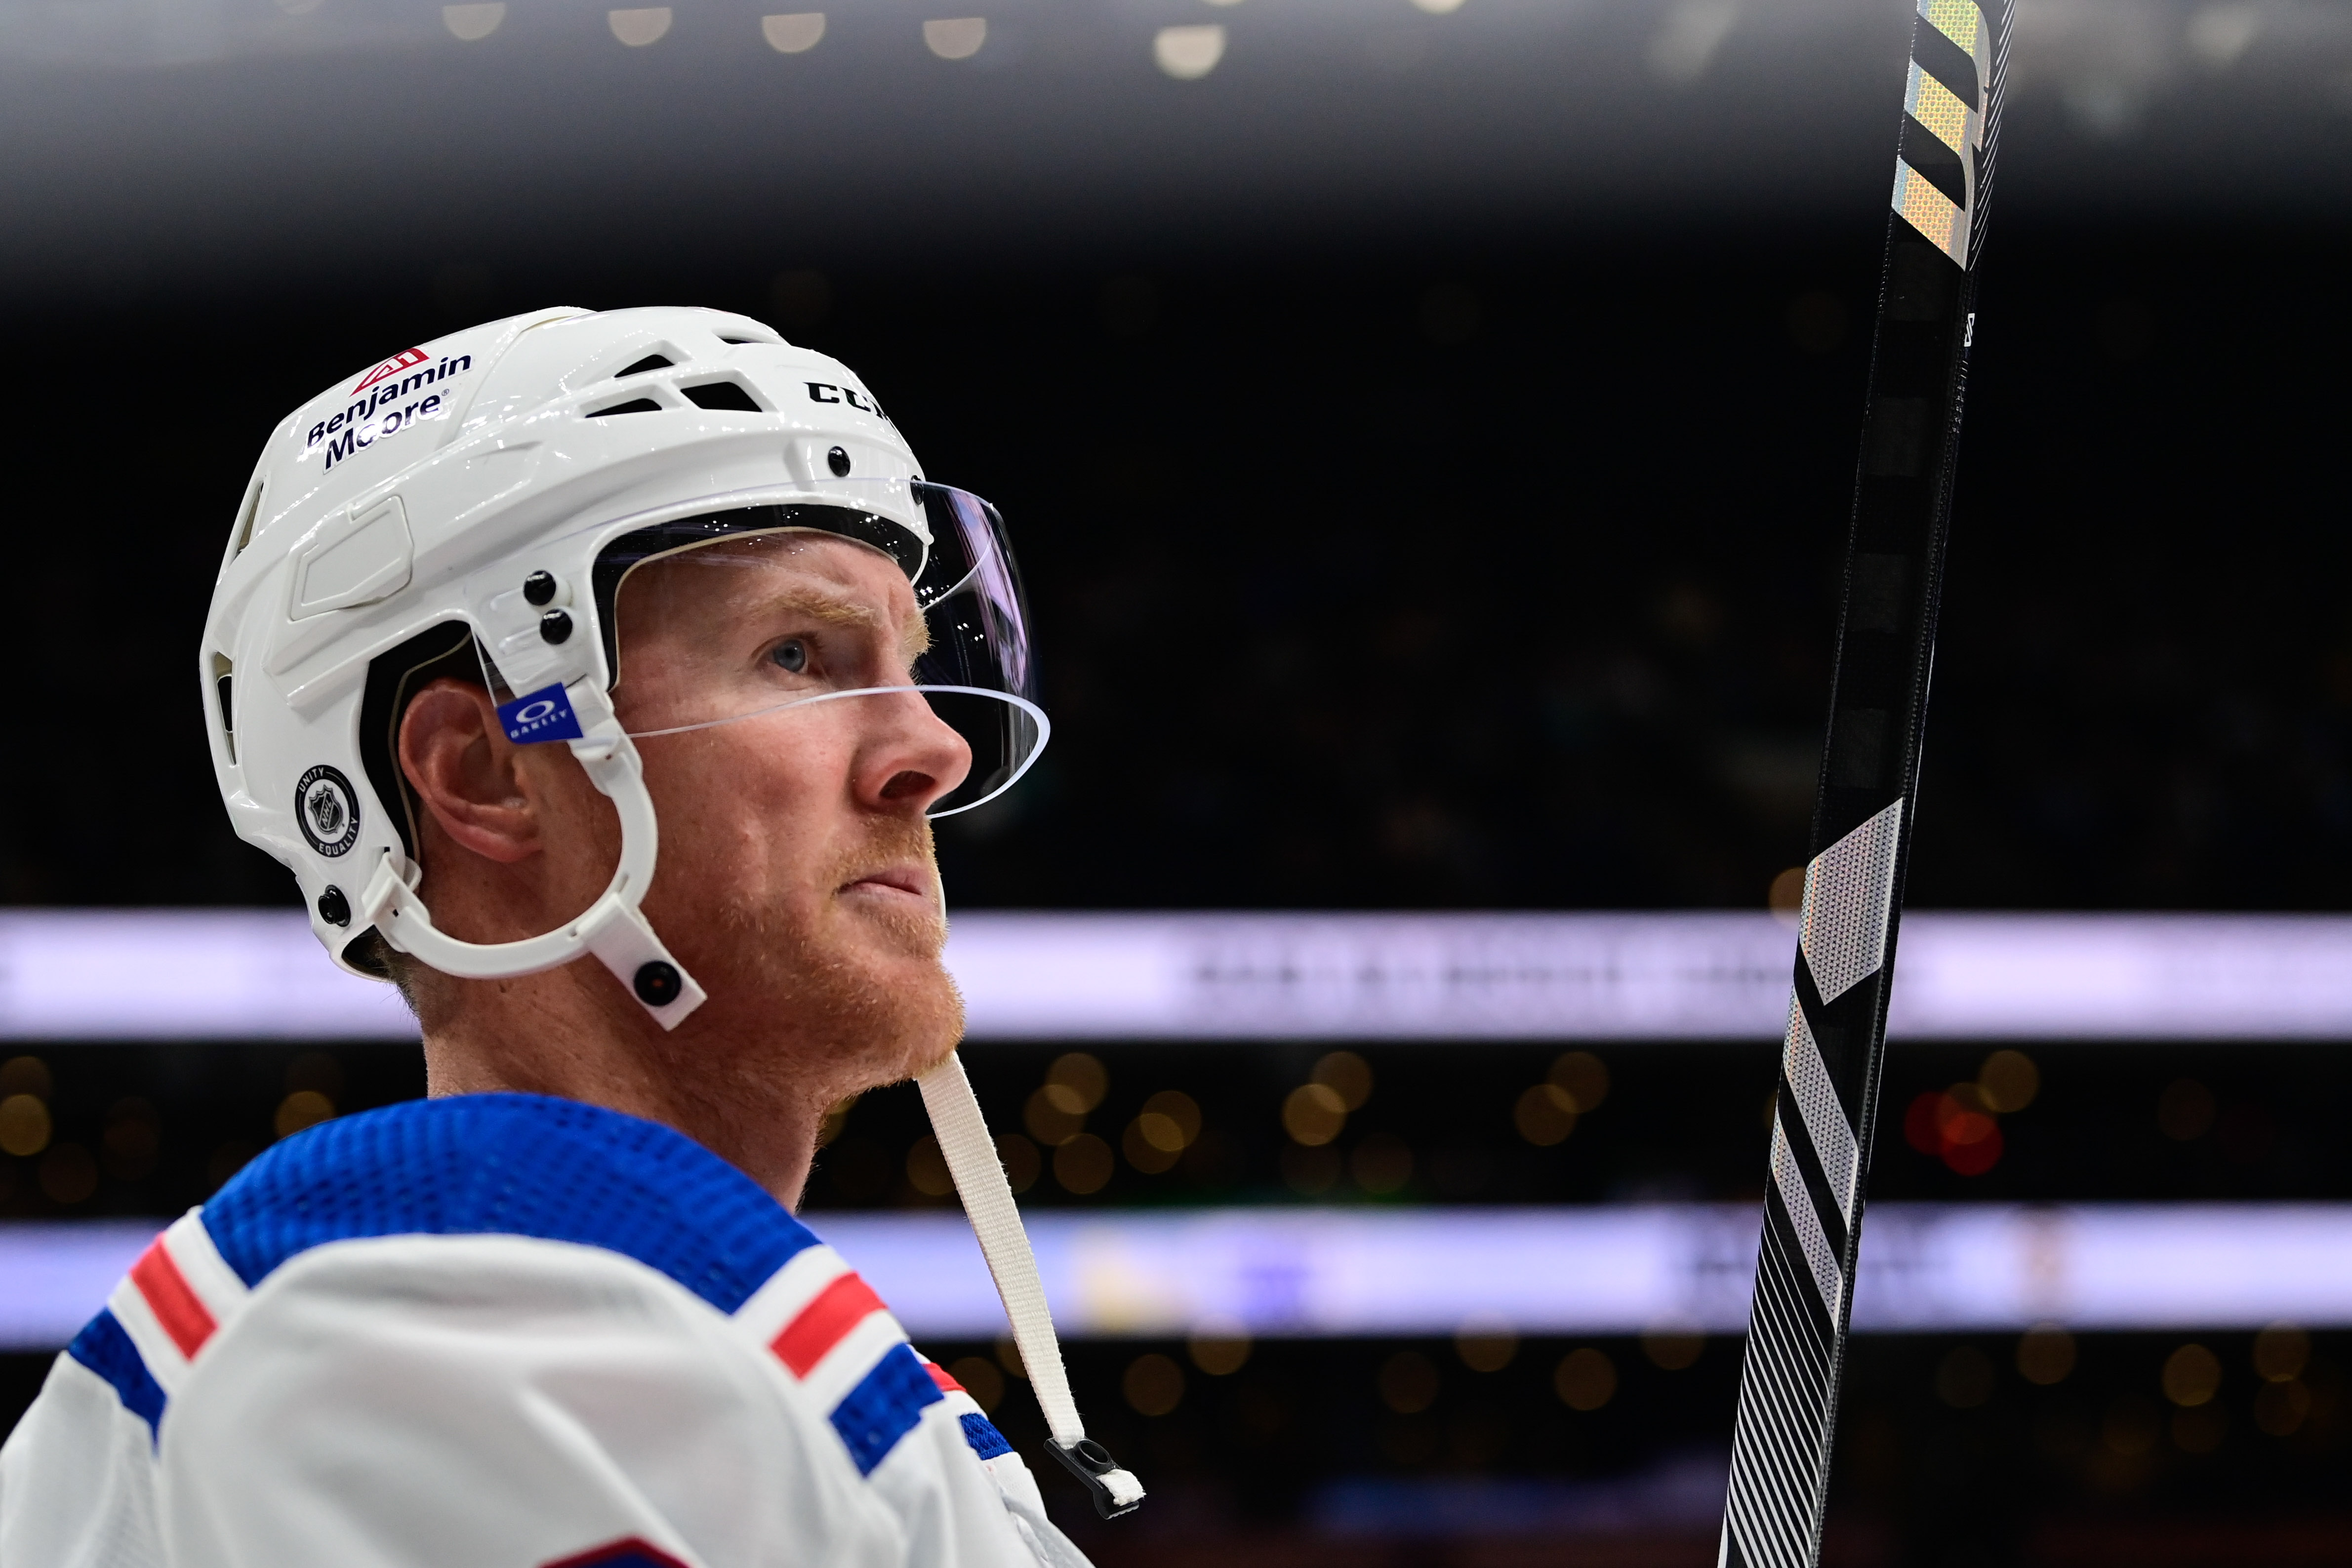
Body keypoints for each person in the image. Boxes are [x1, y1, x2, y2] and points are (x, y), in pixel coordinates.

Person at [0, 306, 1138, 1567]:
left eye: (911, 665)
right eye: (799, 653)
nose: (934, 746)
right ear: (484, 772)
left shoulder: (673, 1314)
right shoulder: (471, 1309)